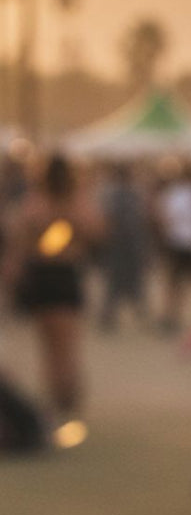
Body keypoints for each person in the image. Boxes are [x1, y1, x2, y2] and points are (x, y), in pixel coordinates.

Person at [1, 153, 104, 427]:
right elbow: (96, 231)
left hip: (47, 275)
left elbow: (19, 243)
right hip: (58, 275)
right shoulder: (73, 202)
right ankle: (63, 402)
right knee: (64, 347)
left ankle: (60, 401)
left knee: (53, 347)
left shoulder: (37, 202)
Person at [96, 162, 152, 331]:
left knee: (130, 281)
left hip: (129, 244)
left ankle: (135, 313)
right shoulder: (116, 195)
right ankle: (111, 314)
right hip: (120, 244)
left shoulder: (131, 194)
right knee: (117, 281)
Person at [155, 165, 191, 333]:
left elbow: (163, 218)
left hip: (177, 241)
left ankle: (170, 317)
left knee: (174, 283)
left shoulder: (172, 193)